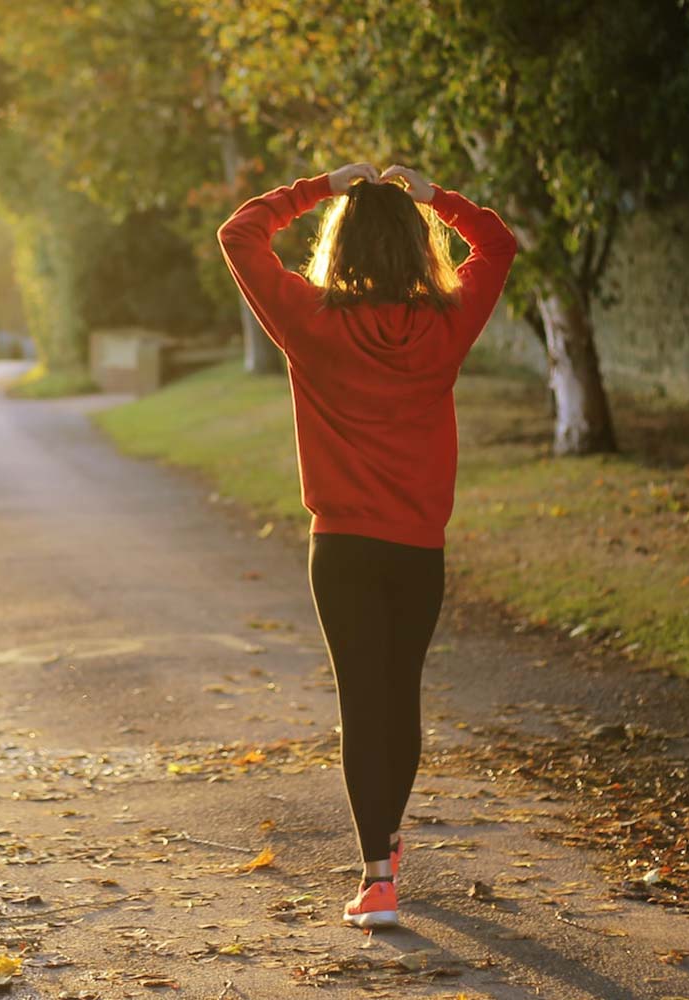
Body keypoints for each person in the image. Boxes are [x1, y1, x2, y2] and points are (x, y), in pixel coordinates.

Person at [217, 162, 517, 929]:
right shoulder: (447, 322)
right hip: (418, 548)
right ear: (419, 248)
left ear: (340, 246)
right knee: (400, 695)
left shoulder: (310, 320)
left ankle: (377, 876)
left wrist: (320, 186)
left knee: (362, 700)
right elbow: (499, 243)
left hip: (342, 547)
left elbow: (239, 233)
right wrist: (436, 198)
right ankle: (385, 844)